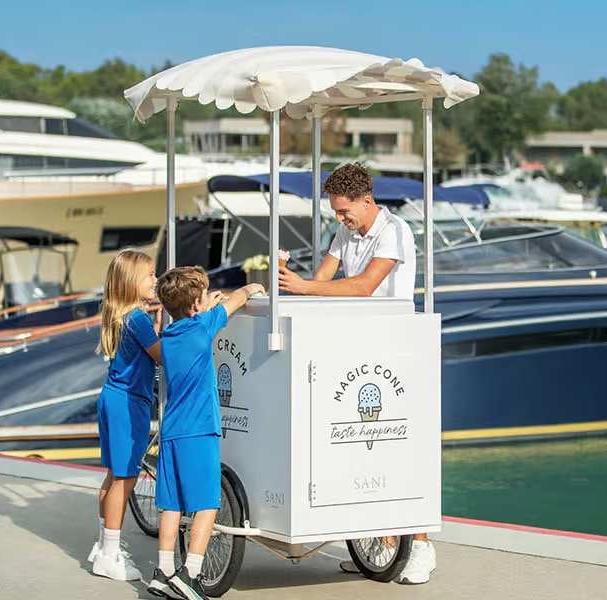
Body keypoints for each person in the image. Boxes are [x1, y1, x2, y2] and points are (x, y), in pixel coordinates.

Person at [279, 162, 436, 585]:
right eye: (337, 213)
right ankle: (378, 547)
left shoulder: (395, 231)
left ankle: (419, 546)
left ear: (367, 202)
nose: (341, 219)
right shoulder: (346, 231)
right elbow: (323, 279)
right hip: (357, 347)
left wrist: (305, 288)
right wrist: (290, 286)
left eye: (346, 212)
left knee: (398, 448)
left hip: (396, 347)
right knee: (360, 447)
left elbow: (364, 285)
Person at [147, 266, 264, 600]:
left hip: (172, 429)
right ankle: (191, 574)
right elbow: (238, 299)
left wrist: (203, 302)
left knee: (172, 504)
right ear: (197, 305)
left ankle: (163, 570)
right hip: (199, 429)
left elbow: (203, 311)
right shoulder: (202, 326)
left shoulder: (170, 335)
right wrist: (251, 287)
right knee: (206, 503)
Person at [90, 249, 162, 581]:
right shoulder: (137, 319)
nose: (155, 279)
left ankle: (104, 543)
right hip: (128, 403)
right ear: (133, 281)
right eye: (150, 275)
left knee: (112, 475)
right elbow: (161, 356)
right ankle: (109, 554)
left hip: (112, 398)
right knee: (126, 478)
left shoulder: (121, 313)